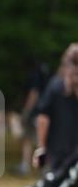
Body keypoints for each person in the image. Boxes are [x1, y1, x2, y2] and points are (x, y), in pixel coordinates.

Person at [34, 43, 78, 173]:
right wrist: (41, 147)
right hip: (58, 154)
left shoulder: (55, 86)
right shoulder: (56, 87)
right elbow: (43, 118)